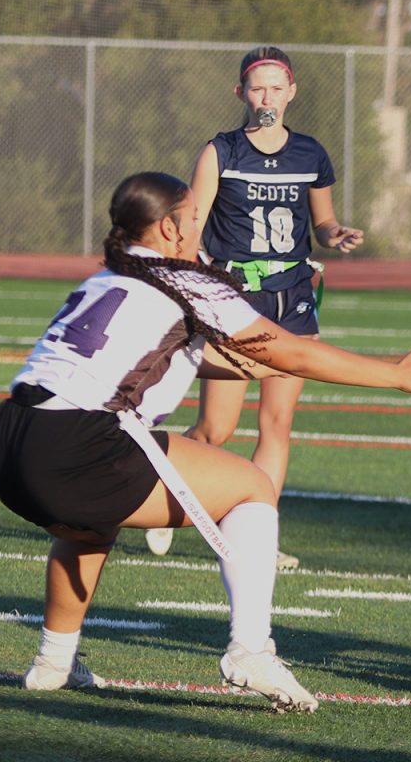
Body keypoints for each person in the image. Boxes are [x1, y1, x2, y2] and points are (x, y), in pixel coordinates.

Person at [0, 172, 411, 712]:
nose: (197, 224)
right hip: (79, 443)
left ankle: (53, 663)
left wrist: (250, 368)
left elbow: (165, 357)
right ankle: (250, 650)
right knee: (251, 488)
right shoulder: (187, 279)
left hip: (11, 437)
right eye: (191, 216)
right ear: (168, 227)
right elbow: (293, 352)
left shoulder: (109, 277)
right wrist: (393, 374)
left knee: (89, 522)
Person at [145, 46, 361, 565]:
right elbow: (193, 224)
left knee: (276, 423)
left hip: (293, 296)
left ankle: (258, 539)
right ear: (241, 93)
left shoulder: (311, 153)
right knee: (217, 430)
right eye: (256, 88)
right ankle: (165, 494)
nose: (267, 97)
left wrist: (337, 234)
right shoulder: (220, 151)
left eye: (276, 88)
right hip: (236, 296)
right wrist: (183, 281)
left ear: (292, 92)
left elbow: (323, 223)